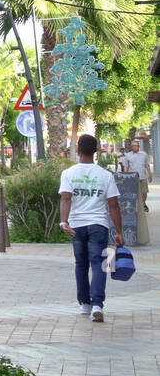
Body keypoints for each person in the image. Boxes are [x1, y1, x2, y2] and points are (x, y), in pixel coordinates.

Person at [59, 134, 124, 323]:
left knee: (81, 264)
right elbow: (113, 205)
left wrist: (64, 222)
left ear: (78, 150)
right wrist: (119, 232)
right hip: (99, 226)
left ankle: (84, 304)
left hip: (76, 226)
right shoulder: (105, 175)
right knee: (99, 265)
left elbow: (66, 198)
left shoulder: (68, 173)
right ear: (96, 151)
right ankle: (97, 305)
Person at [119, 139, 151, 215]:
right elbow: (126, 167)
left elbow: (147, 165)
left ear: (138, 146)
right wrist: (125, 176)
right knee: (132, 192)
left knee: (144, 191)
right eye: (132, 146)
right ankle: (133, 205)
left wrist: (150, 174)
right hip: (132, 177)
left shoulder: (144, 154)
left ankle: (143, 204)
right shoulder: (128, 155)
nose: (134, 147)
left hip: (142, 176)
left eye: (135, 145)